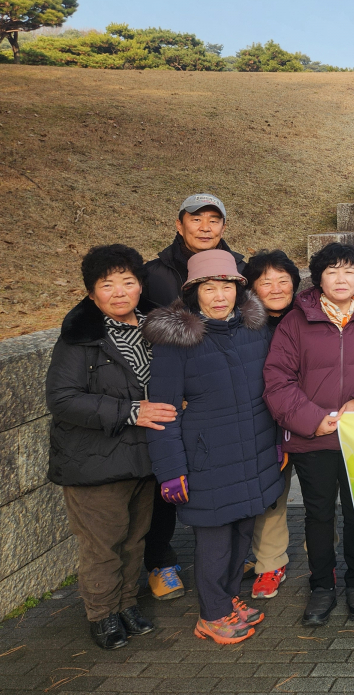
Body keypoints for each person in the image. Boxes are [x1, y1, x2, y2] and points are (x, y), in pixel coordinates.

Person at [144, 250, 284, 645]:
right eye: (209, 287)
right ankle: (211, 615)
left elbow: (270, 392)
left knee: (242, 531)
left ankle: (226, 599)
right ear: (193, 293)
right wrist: (170, 470)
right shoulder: (176, 344)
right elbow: (163, 412)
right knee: (215, 538)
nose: (219, 295)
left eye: (227, 286)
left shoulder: (254, 330)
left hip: (254, 447)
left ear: (239, 290)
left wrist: (277, 442)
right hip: (208, 456)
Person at [262, 242, 354, 628]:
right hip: (314, 438)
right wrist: (313, 419)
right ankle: (322, 585)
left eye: (349, 271)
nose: (341, 279)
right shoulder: (296, 320)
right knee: (318, 514)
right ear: (319, 278)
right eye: (332, 271)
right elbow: (277, 379)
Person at [45, 245, 175, 650]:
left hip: (142, 457)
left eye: (128, 282)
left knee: (135, 538)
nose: (119, 292)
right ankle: (102, 615)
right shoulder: (80, 338)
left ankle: (126, 605)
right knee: (103, 543)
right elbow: (62, 399)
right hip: (94, 460)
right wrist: (131, 410)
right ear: (91, 293)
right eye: (107, 285)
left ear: (140, 286)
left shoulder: (154, 327)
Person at [140, 193, 245, 601]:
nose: (205, 227)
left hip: (216, 392)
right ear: (179, 223)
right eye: (196, 218)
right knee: (167, 483)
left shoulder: (236, 267)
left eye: (214, 220)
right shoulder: (152, 271)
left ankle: (229, 570)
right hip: (166, 385)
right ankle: (161, 561)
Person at [242, 250, 302, 600]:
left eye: (284, 280)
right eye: (266, 282)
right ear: (252, 288)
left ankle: (323, 558)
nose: (277, 288)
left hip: (310, 422)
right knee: (271, 497)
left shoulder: (310, 316)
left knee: (322, 496)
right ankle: (269, 563)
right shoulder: (243, 326)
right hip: (264, 425)